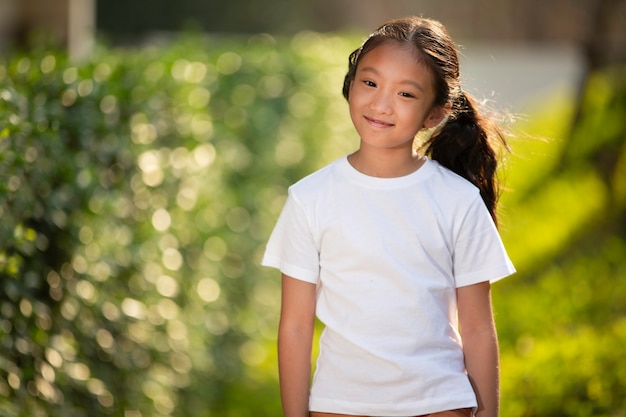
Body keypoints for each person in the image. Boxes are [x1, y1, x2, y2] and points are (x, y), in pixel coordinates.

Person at [262, 16, 516, 417]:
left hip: (439, 404)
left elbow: (479, 329)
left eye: (406, 94)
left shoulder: (457, 200)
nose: (381, 104)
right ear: (350, 84)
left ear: (436, 113)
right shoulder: (310, 198)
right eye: (370, 82)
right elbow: (294, 328)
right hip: (340, 405)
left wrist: (487, 413)